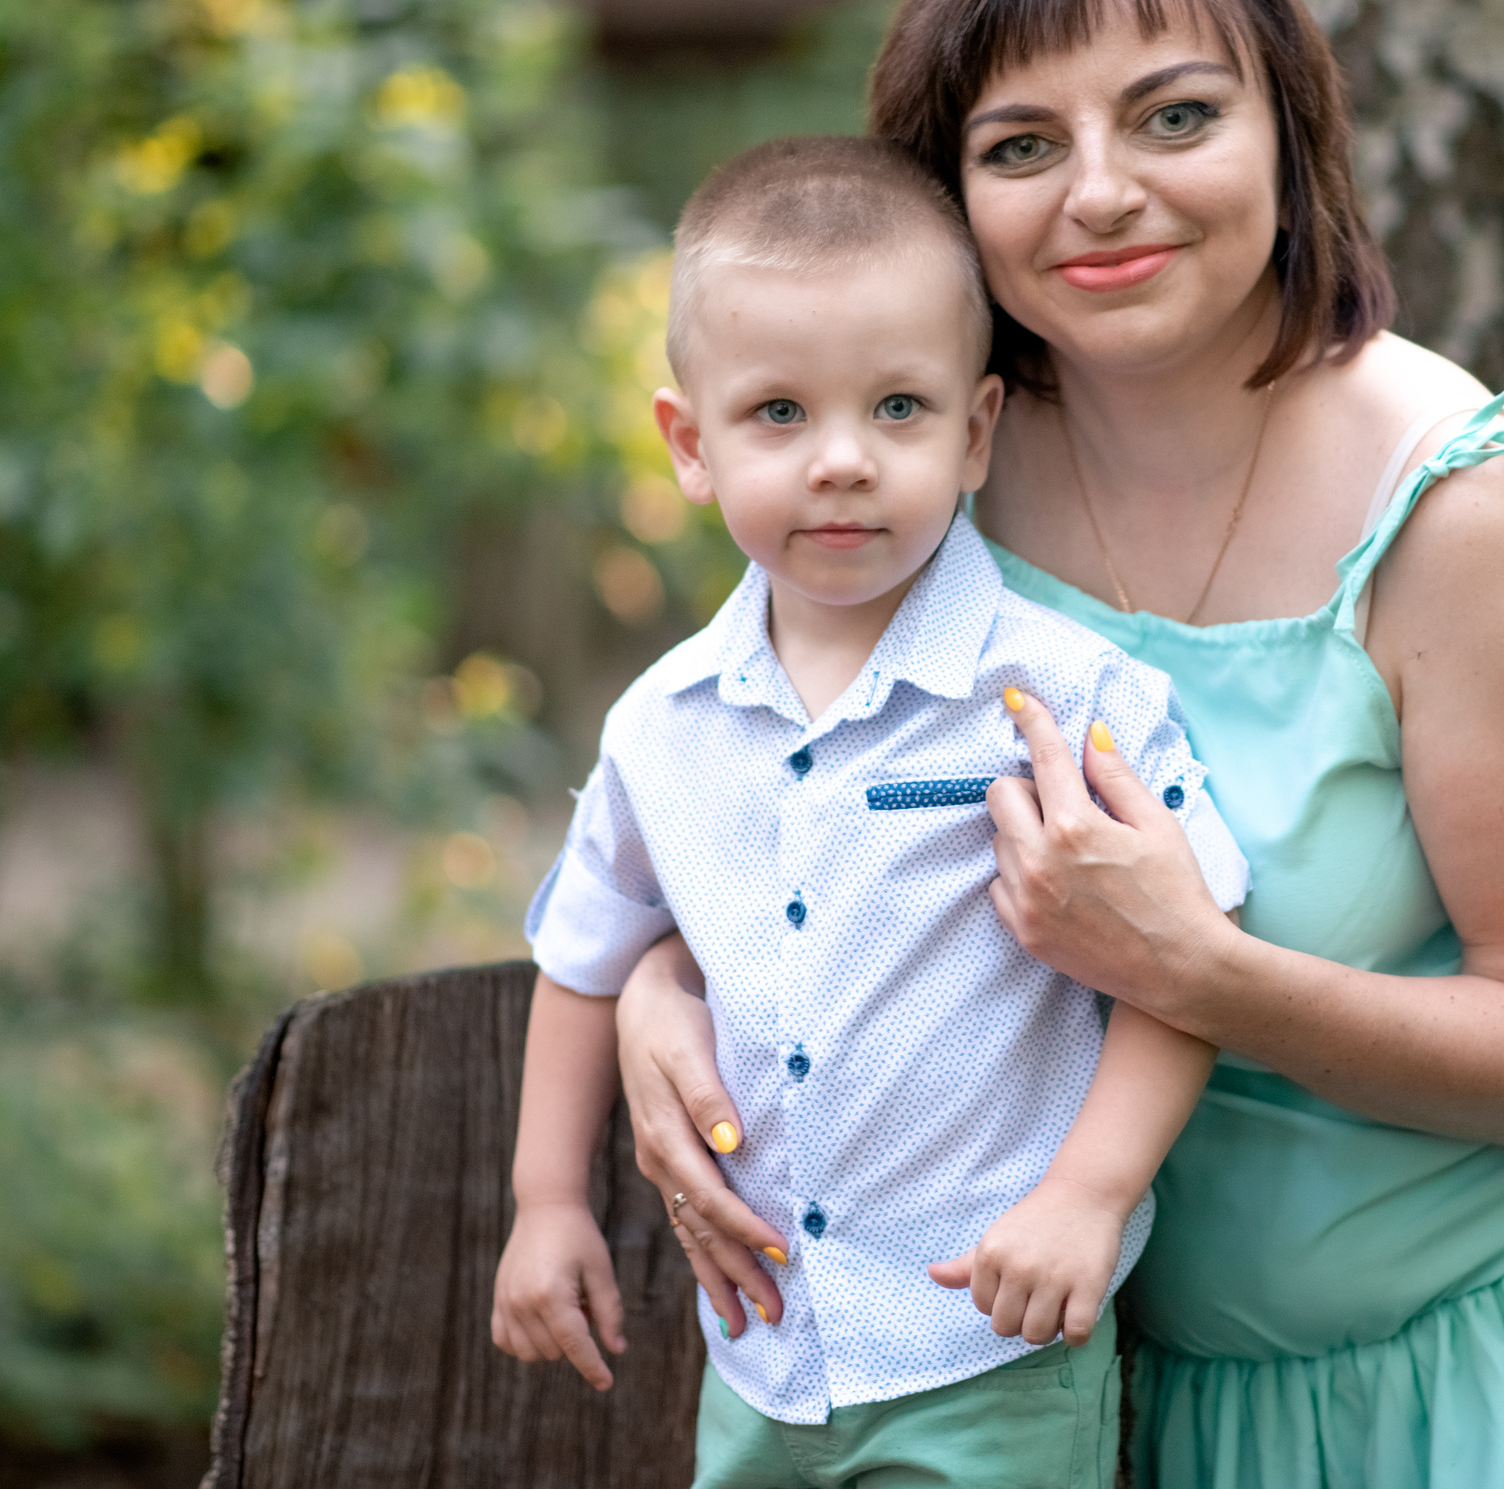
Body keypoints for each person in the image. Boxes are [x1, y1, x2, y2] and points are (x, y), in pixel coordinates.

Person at [612, 0, 1504, 1488]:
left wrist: (1196, 968)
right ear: (947, 204)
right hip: (1143, 1408)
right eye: (1020, 147)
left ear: (1286, 130)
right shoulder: (924, 470)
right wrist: (658, 991)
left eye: (1172, 117)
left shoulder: (1457, 503)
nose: (1100, 193)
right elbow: (751, 785)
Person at [488, 135, 1253, 1488]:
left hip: (990, 1347)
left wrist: (1089, 1191)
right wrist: (547, 1201)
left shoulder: (1060, 696)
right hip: (766, 1355)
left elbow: (1190, 952)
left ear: (976, 431)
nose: (841, 460)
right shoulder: (660, 728)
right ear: (691, 443)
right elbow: (585, 954)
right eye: (779, 413)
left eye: (897, 409)